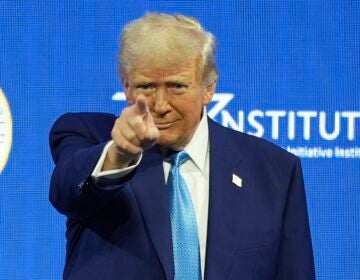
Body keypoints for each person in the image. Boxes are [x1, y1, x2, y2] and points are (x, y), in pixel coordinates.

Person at [49, 13, 315, 280]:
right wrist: (120, 153)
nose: (161, 105)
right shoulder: (88, 135)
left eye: (177, 86)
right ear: (127, 88)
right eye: (146, 86)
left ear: (209, 89)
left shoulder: (274, 171)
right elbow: (67, 190)